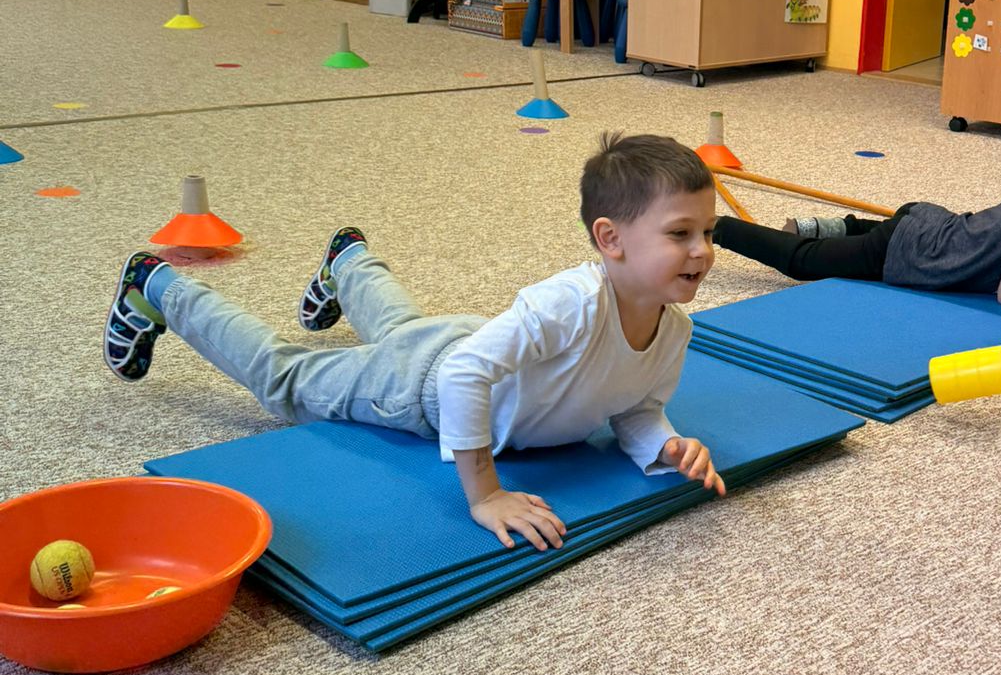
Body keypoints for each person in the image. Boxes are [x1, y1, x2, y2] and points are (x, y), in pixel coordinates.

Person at [103, 133, 725, 549]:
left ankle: (349, 263)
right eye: (680, 233)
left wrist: (664, 445)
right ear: (610, 239)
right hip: (420, 387)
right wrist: (486, 495)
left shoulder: (674, 327)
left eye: (708, 231)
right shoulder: (569, 304)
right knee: (286, 382)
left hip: (468, 345)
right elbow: (461, 376)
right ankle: (158, 286)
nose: (702, 251)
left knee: (404, 333)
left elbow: (635, 407)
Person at [712, 117, 1001, 305]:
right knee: (804, 264)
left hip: (923, 224)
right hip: (907, 251)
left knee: (869, 235)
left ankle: (826, 225)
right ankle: (716, 227)